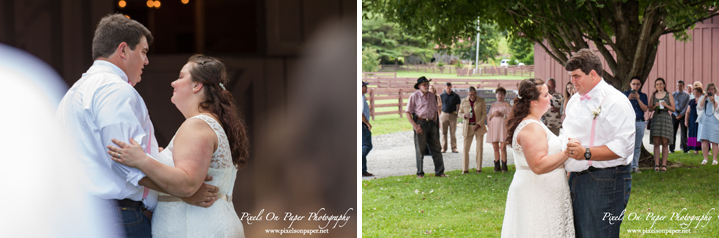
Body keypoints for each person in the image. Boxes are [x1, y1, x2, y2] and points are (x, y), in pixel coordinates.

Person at [54, 14, 217, 238]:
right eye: (143, 51)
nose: (146, 61)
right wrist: (184, 192)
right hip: (119, 218)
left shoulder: (73, 93)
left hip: (85, 214)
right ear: (123, 50)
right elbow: (127, 164)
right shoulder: (114, 90)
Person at [108, 54, 249, 237]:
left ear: (197, 85)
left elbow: (187, 183)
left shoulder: (196, 125)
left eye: (181, 77)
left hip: (194, 228)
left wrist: (142, 160)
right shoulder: (209, 123)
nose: (173, 83)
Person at [562, 49, 635, 237]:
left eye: (576, 76)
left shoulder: (615, 101)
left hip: (606, 179)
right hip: (576, 178)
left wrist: (586, 153)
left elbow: (623, 147)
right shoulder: (574, 102)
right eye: (571, 77)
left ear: (593, 74)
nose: (573, 81)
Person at [500, 78, 574, 237]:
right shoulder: (531, 128)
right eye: (546, 95)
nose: (551, 98)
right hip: (537, 193)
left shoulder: (535, 122)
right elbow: (538, 165)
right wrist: (567, 153)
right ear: (534, 102)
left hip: (544, 190)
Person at [406, 76, 447, 178]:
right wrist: (415, 126)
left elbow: (435, 110)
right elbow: (408, 112)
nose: (427, 86)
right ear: (419, 86)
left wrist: (435, 122)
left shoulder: (432, 96)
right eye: (424, 84)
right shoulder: (414, 96)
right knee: (420, 149)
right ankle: (420, 173)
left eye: (427, 84)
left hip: (431, 123)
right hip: (421, 122)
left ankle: (440, 171)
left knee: (436, 148)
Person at [648, 78, 676, 172]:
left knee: (665, 142)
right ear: (655, 86)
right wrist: (655, 106)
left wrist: (665, 105)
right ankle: (656, 164)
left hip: (665, 119)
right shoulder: (653, 95)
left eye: (660, 84)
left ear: (664, 85)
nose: (659, 86)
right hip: (656, 118)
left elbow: (673, 109)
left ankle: (664, 164)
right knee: (656, 142)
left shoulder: (669, 95)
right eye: (657, 84)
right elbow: (650, 108)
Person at [458, 86, 488, 173]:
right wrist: (464, 115)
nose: (472, 96)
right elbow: (459, 113)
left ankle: (479, 168)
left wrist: (479, 124)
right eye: (471, 94)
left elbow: (484, 114)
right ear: (467, 94)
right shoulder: (463, 101)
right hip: (468, 127)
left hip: (478, 127)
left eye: (474, 94)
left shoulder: (481, 101)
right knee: (465, 149)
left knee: (479, 149)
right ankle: (465, 169)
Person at [623, 77, 648, 173]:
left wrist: (638, 99)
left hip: (640, 122)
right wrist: (628, 99)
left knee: (637, 145)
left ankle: (635, 166)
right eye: (633, 84)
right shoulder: (624, 95)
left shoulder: (643, 95)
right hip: (628, 122)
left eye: (637, 84)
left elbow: (645, 109)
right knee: (627, 144)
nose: (635, 86)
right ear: (630, 84)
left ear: (640, 85)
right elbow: (621, 108)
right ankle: (627, 166)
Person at [487, 87, 511, 172]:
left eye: (501, 94)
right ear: (496, 95)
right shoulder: (493, 105)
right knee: (495, 147)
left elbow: (511, 116)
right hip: (494, 127)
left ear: (504, 95)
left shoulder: (506, 104)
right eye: (498, 94)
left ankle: (504, 165)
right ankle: (497, 165)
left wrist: (502, 115)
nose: (500, 96)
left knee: (503, 147)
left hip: (503, 127)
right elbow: (489, 117)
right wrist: (493, 115)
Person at [697, 83, 719, 165]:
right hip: (704, 121)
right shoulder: (702, 98)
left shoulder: (717, 98)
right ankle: (705, 159)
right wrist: (705, 97)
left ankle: (715, 159)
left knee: (714, 141)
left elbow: (718, 109)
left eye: (712, 89)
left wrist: (713, 100)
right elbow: (699, 107)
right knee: (704, 140)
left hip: (714, 121)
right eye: (709, 89)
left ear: (715, 90)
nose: (711, 91)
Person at [439, 82, 462, 153]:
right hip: (444, 114)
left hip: (452, 114)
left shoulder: (455, 96)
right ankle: (443, 147)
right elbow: (439, 105)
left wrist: (457, 114)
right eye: (447, 88)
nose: (448, 89)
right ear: (445, 87)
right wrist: (440, 114)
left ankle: (454, 147)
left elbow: (458, 105)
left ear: (451, 87)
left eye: (449, 88)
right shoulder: (442, 95)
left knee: (453, 132)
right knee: (443, 132)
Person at [671, 80, 690, 153]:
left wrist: (681, 114)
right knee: (673, 131)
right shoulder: (673, 95)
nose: (679, 87)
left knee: (684, 132)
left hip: (683, 114)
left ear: (683, 86)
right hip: (675, 114)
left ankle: (685, 149)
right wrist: (676, 114)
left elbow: (687, 106)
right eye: (678, 85)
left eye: (681, 85)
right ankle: (671, 149)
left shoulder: (687, 95)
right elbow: (671, 105)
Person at [686, 82, 703, 154]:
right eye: (693, 91)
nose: (693, 92)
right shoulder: (691, 101)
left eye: (694, 91)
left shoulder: (703, 99)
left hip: (701, 119)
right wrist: (686, 121)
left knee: (702, 133)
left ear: (699, 92)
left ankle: (706, 150)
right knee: (694, 133)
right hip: (693, 119)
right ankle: (696, 150)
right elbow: (687, 112)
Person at [361, 82, 374, 177]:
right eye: (365, 86)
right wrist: (367, 123)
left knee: (362, 146)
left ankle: (362, 170)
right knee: (367, 145)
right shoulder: (360, 98)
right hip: (361, 124)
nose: (367, 88)